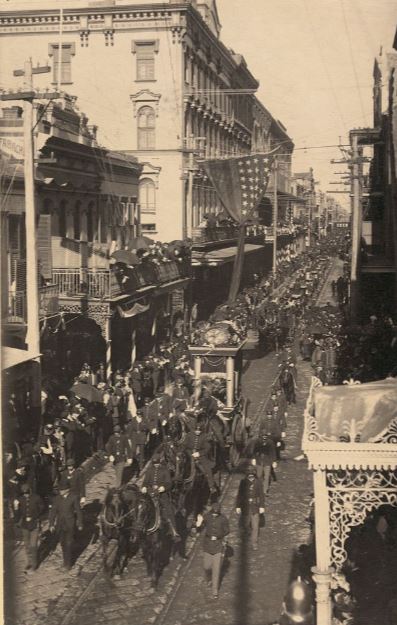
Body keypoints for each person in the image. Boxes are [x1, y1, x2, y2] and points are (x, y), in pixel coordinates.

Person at [141, 453, 180, 541]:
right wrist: (143, 487)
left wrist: (163, 487)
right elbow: (145, 482)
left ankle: (174, 531)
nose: (156, 465)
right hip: (149, 493)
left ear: (160, 462)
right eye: (155, 464)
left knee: (169, 510)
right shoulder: (149, 469)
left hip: (161, 494)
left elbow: (169, 483)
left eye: (157, 463)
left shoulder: (165, 470)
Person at [196, 500, 229, 599]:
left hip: (218, 546)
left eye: (216, 513)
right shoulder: (207, 517)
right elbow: (200, 527)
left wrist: (220, 535)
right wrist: (198, 523)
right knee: (207, 566)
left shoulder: (223, 519)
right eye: (213, 513)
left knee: (216, 569)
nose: (214, 515)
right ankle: (208, 577)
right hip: (207, 545)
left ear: (219, 512)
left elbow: (227, 530)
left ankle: (215, 591)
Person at [49, 481, 83, 570]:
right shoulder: (56, 499)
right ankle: (65, 561)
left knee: (68, 543)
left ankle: (68, 564)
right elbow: (53, 512)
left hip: (70, 523)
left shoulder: (73, 497)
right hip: (60, 524)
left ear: (67, 490)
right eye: (59, 490)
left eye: (62, 490)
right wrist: (51, 524)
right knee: (63, 543)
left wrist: (79, 523)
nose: (60, 491)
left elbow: (78, 511)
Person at [14, 483, 44, 572]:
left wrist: (35, 516)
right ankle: (29, 562)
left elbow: (42, 508)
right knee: (27, 545)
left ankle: (34, 564)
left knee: (33, 545)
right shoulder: (20, 499)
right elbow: (17, 516)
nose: (26, 495)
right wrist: (16, 507)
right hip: (25, 526)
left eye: (27, 493)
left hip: (34, 525)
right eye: (24, 493)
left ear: (30, 491)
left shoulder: (37, 498)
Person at [236, 466, 265, 550]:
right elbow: (240, 495)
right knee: (245, 525)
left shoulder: (258, 482)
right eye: (249, 475)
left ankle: (254, 543)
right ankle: (245, 542)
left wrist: (262, 506)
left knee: (255, 526)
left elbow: (261, 495)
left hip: (255, 507)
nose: (251, 477)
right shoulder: (243, 482)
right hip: (245, 506)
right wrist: (238, 506)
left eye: (252, 475)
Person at [183, 421, 217, 494]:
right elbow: (184, 445)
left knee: (207, 470)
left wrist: (199, 453)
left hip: (201, 455)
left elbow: (207, 448)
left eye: (199, 431)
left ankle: (211, 487)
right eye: (196, 430)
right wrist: (189, 453)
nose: (197, 432)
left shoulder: (205, 436)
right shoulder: (189, 435)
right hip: (189, 454)